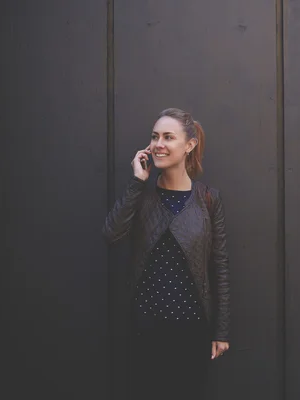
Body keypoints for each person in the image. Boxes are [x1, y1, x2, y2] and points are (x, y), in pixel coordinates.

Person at [102, 108, 230, 399]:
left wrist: (221, 330)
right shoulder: (142, 197)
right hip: (145, 329)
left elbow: (219, 266)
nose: (159, 144)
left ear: (189, 144)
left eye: (168, 137)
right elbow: (111, 236)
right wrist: (138, 182)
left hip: (192, 330)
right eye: (155, 136)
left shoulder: (208, 199)